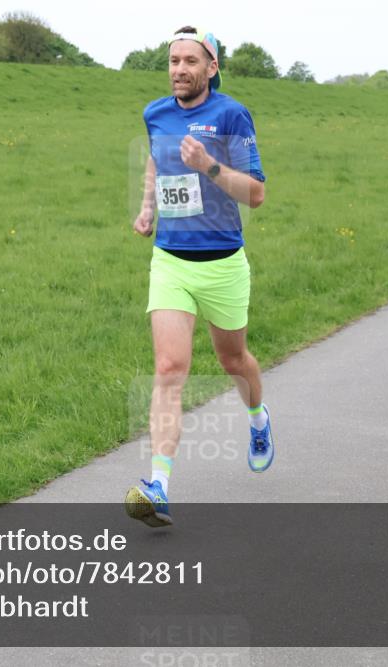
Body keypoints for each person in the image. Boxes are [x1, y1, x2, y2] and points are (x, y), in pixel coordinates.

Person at [125, 26, 272, 527]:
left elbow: (255, 194)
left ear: (212, 68)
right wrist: (148, 207)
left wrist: (209, 165)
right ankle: (158, 487)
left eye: (190, 61)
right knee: (169, 368)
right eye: (173, 61)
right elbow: (156, 160)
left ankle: (257, 418)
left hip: (224, 262)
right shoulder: (155, 113)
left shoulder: (231, 115)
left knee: (234, 361)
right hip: (171, 260)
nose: (180, 70)